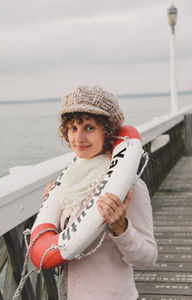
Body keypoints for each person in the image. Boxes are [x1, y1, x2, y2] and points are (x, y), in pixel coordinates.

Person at [44, 85, 158, 300]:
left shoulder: (128, 185)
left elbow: (148, 257)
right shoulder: (69, 182)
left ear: (108, 132)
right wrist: (55, 206)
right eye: (72, 128)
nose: (78, 138)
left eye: (89, 128)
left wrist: (121, 229)